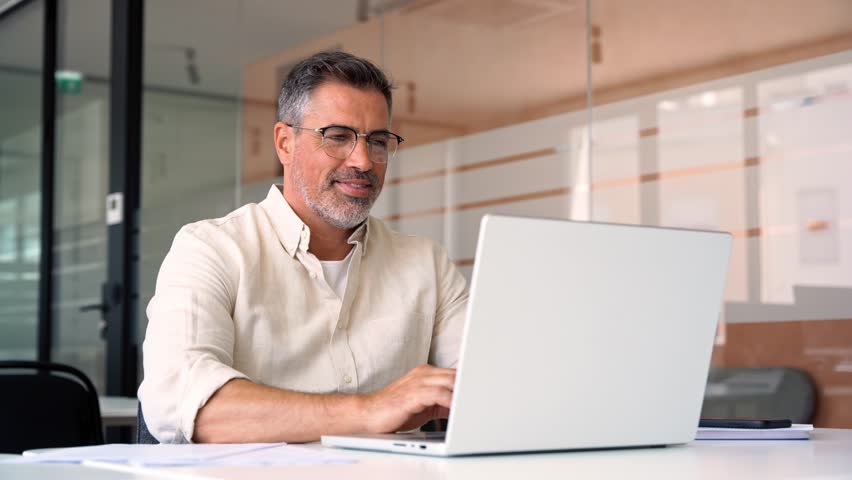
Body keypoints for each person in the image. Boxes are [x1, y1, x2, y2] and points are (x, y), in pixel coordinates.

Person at [138, 50, 468, 444]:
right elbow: (183, 404)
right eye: (338, 137)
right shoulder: (211, 249)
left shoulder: (425, 263)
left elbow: (489, 383)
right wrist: (370, 410)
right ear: (284, 143)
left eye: (378, 141)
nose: (363, 161)